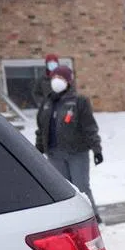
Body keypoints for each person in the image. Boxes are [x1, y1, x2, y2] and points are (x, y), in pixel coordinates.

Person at [35, 65, 104, 222]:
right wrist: (38, 149)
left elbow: (89, 127)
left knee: (81, 188)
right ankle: (71, 221)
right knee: (63, 191)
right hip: (54, 154)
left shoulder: (79, 102)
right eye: (54, 78)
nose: (56, 81)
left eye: (60, 78)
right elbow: (42, 129)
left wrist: (97, 149)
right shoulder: (47, 103)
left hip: (76, 153)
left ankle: (93, 219)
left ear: (68, 81)